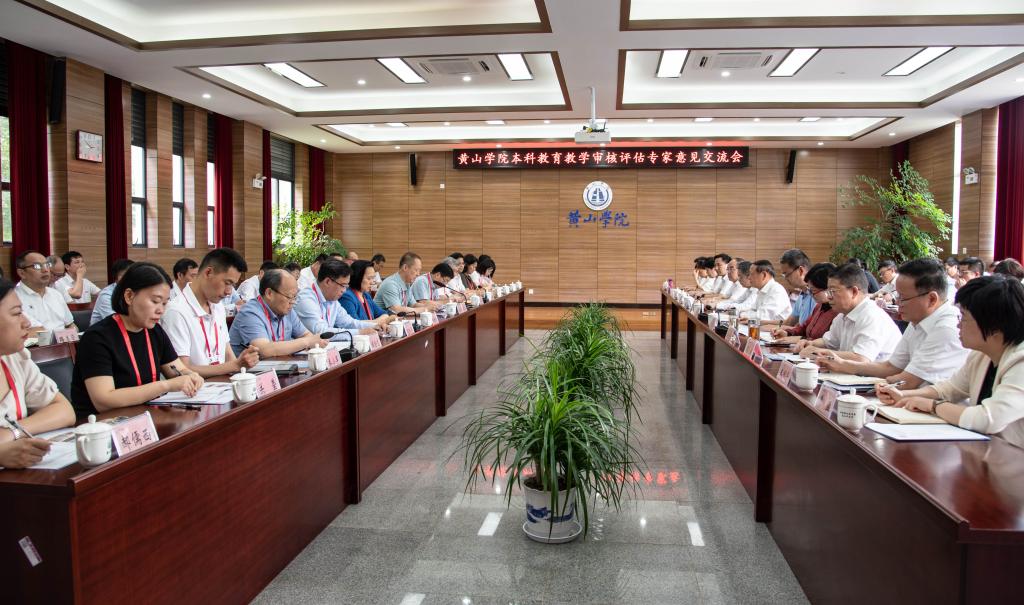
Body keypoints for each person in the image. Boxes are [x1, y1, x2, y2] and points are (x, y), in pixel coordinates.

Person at [878, 276, 1024, 448]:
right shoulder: (982, 355)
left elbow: (988, 419)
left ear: (994, 325)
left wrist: (934, 406)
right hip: (987, 450)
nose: (958, 325)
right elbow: (949, 389)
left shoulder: (1020, 360)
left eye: (963, 317)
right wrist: (904, 396)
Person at [70, 263, 205, 419]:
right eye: (155, 301)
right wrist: (165, 385)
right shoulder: (97, 337)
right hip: (102, 424)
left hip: (144, 417)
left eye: (164, 303)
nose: (161, 310)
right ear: (129, 296)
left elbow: (176, 369)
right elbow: (104, 400)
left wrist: (190, 375)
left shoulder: (154, 331)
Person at [818, 258, 967, 388]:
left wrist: (878, 383)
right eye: (897, 297)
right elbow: (891, 367)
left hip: (938, 407)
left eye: (903, 298)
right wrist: (841, 364)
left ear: (932, 299)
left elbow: (908, 381)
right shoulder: (917, 320)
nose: (898, 303)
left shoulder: (947, 327)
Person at [0, 277, 76, 466]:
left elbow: (64, 410)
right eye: (17, 313)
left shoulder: (15, 358)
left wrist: (13, 432)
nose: (26, 322)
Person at [161, 248, 260, 378]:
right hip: (197, 389)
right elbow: (181, 370)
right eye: (227, 283)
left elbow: (228, 354)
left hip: (223, 384)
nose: (229, 292)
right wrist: (235, 365)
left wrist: (241, 367)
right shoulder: (176, 312)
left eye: (232, 285)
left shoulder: (218, 306)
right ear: (208, 272)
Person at [798, 263, 902, 362]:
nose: (828, 297)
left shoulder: (872, 316)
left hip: (875, 374)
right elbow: (829, 341)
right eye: (827, 291)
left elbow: (861, 359)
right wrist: (810, 344)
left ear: (854, 292)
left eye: (832, 291)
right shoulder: (842, 315)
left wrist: (818, 352)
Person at [228, 269, 328, 357]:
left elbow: (307, 335)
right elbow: (264, 350)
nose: (293, 302)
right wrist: (307, 342)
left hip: (279, 366)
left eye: (295, 297)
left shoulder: (287, 310)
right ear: (269, 293)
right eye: (289, 297)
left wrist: (308, 340)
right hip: (249, 371)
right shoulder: (250, 313)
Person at [294, 260, 387, 339]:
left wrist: (375, 326)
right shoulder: (306, 299)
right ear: (328, 281)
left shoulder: (332, 298)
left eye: (346, 286)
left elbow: (348, 323)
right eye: (343, 285)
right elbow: (322, 332)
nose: (344, 290)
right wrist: (360, 332)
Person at [771, 263, 839, 343]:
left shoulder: (838, 312)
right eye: (809, 290)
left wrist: (801, 339)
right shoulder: (819, 306)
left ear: (827, 288)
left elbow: (829, 343)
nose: (811, 295)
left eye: (813, 291)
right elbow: (803, 328)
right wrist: (787, 333)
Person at [13, 250, 74, 334]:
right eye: (37, 266)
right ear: (22, 273)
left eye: (47, 265)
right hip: (35, 342)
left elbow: (70, 324)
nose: (45, 270)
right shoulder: (13, 298)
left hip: (62, 340)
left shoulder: (56, 294)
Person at [91, 259, 134, 326]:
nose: (128, 278)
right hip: (105, 330)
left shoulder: (137, 291)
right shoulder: (106, 295)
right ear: (115, 278)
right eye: (124, 275)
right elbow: (115, 321)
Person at [778, 249, 814, 326]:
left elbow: (811, 330)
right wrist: (761, 323)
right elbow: (788, 323)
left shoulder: (817, 295)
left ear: (801, 271)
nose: (785, 278)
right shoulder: (803, 293)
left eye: (787, 274)